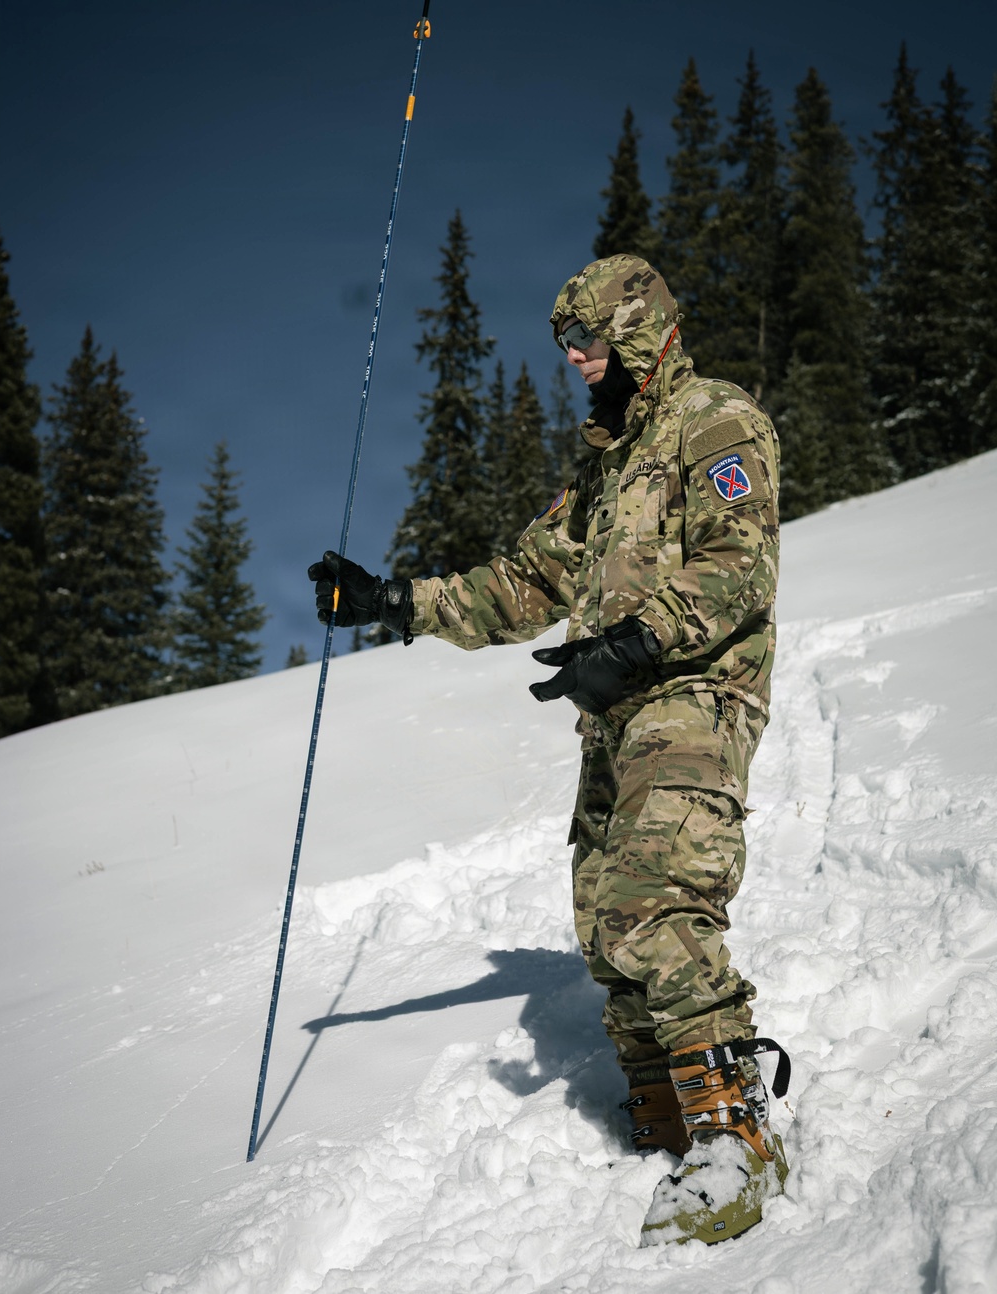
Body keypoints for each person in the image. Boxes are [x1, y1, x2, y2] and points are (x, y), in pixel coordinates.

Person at [308, 253, 790, 1246]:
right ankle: (667, 1112)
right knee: (603, 921)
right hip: (612, 716)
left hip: (694, 696)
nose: (573, 356)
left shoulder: (715, 419)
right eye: (565, 341)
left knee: (654, 895)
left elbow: (739, 561)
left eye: (588, 337)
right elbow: (522, 582)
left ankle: (735, 1131)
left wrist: (641, 639)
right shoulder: (603, 472)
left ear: (641, 329)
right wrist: (394, 602)